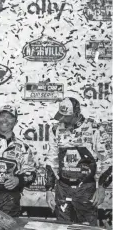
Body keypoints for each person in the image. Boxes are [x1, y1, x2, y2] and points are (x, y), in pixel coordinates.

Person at [45, 97, 110, 226]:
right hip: (62, 188)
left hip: (86, 189)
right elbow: (51, 161)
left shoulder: (94, 128)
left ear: (76, 114)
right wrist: (48, 190)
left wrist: (102, 187)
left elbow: (108, 160)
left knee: (86, 227)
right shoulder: (55, 130)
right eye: (60, 115)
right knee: (62, 227)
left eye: (66, 116)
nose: (62, 119)